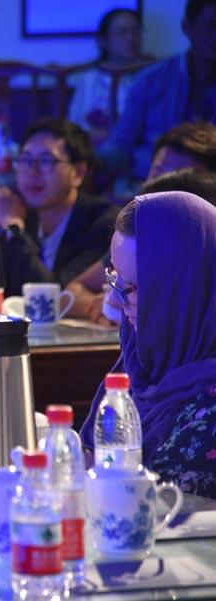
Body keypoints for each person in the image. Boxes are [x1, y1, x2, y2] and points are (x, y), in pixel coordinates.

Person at [78, 191, 216, 498]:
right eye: (114, 275)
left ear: (186, 290)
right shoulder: (139, 361)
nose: (113, 300)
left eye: (136, 287)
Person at [66, 121, 216, 322]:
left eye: (180, 177)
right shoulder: (139, 234)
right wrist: (111, 306)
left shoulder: (205, 247)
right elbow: (72, 292)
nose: (162, 185)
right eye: (158, 171)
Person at [0, 118, 120, 297]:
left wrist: (13, 227)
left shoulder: (105, 225)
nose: (32, 172)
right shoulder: (20, 212)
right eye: (25, 160)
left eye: (46, 161)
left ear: (78, 173)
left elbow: (56, 298)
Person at [99, 0, 216, 181]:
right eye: (210, 25)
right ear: (187, 28)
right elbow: (121, 142)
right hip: (152, 179)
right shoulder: (151, 79)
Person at [68, 9, 149, 143]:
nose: (131, 38)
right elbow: (74, 127)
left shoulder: (152, 75)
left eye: (136, 31)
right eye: (122, 32)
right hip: (95, 146)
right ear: (103, 41)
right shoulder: (88, 79)